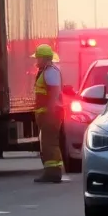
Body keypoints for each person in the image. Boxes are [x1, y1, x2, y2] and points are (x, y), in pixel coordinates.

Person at [32, 43, 69, 184]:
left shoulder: (50, 72)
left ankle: (53, 173)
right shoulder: (47, 71)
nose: (36, 61)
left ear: (44, 58)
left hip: (51, 113)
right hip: (47, 113)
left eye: (38, 58)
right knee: (47, 143)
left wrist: (49, 111)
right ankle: (50, 172)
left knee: (50, 143)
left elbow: (53, 93)